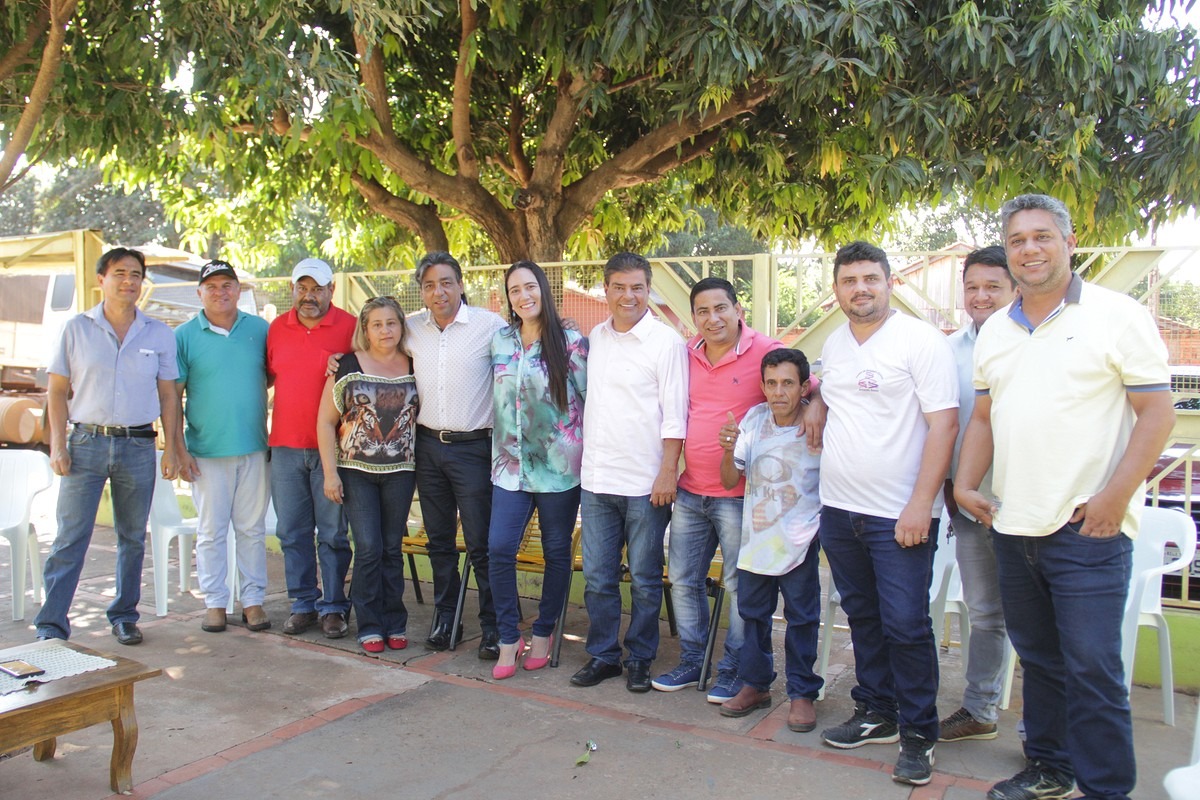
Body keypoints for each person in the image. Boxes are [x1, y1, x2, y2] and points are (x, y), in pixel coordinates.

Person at [955, 195, 1175, 800]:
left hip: (1088, 531)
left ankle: (1106, 789)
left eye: (1042, 236)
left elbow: (1158, 414)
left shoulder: (1116, 315)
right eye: (1019, 239)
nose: (1030, 249)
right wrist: (966, 485)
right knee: (1041, 664)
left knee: (1095, 672)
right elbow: (982, 418)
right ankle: (1050, 769)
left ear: (1068, 242)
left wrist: (1113, 497)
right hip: (1013, 525)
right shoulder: (997, 329)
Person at [816, 241, 958, 786]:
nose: (860, 289)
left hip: (900, 514)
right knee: (865, 618)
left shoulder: (920, 342)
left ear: (889, 282)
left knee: (906, 624)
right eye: (849, 280)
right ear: (836, 289)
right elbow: (836, 395)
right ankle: (876, 711)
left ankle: (920, 734)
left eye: (870, 278)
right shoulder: (835, 342)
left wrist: (921, 503)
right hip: (840, 508)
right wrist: (815, 403)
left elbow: (944, 425)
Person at [34, 247, 180, 645]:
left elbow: (169, 395)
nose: (128, 281)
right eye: (119, 273)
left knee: (132, 537)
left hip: (137, 446)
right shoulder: (76, 329)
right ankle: (51, 624)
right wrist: (57, 445)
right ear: (102, 279)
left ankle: (123, 615)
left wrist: (172, 448)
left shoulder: (159, 333)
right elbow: (58, 391)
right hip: (85, 444)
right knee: (70, 537)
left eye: (135, 274)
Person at [651, 277, 784, 701]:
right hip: (691, 490)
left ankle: (734, 668)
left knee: (739, 585)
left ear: (738, 309)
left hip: (740, 495)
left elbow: (806, 386)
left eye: (721, 308)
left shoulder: (764, 350)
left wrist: (814, 407)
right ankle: (694, 660)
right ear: (694, 318)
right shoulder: (685, 353)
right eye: (703, 311)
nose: (713, 318)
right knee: (685, 579)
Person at [571, 252, 688, 693]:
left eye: (637, 287)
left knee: (643, 578)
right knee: (599, 577)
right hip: (597, 480)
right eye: (619, 287)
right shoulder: (594, 339)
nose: (628, 295)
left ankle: (640, 657)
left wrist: (667, 473)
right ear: (606, 290)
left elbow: (675, 416)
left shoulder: (666, 343)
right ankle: (603, 656)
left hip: (645, 485)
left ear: (648, 289)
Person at [487, 261, 588, 679]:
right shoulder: (499, 341)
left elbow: (589, 401)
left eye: (530, 287)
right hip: (509, 468)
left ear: (543, 290)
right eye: (514, 290)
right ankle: (509, 635)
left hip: (558, 470)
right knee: (498, 549)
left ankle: (545, 631)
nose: (523, 296)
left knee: (556, 552)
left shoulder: (570, 342)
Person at [716, 348, 824, 732]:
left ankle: (802, 693)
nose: (779, 392)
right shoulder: (755, 419)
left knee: (802, 618)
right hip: (757, 540)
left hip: (800, 539)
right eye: (772, 383)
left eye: (788, 383)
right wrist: (728, 450)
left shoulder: (818, 422)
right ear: (762, 386)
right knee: (753, 615)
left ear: (804, 386)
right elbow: (731, 480)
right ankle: (755, 684)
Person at [407, 251, 506, 658]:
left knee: (482, 543)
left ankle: (494, 625)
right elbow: (369, 341)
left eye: (446, 282)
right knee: (440, 541)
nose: (439, 291)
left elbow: (528, 343)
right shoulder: (412, 328)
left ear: (461, 284)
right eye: (430, 285)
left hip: (475, 449)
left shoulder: (490, 326)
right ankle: (446, 618)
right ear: (422, 292)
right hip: (428, 446)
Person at [938, 246, 1018, 741]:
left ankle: (1047, 738)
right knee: (985, 612)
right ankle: (981, 709)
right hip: (970, 507)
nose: (981, 295)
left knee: (1038, 625)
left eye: (993, 286)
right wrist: (952, 488)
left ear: (1014, 289)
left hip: (1031, 508)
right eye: (972, 287)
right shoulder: (948, 351)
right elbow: (944, 425)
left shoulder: (1032, 344)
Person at [317, 296, 419, 656]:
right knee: (370, 548)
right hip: (356, 472)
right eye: (377, 324)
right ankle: (370, 623)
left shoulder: (414, 365)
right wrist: (331, 474)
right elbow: (326, 422)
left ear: (401, 326)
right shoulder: (348, 365)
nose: (385, 330)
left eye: (391, 323)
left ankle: (395, 621)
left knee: (392, 548)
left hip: (400, 472)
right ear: (366, 329)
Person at [173, 260, 271, 634]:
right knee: (212, 531)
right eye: (211, 286)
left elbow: (274, 376)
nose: (220, 292)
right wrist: (178, 449)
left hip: (253, 448)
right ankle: (215, 603)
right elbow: (173, 395)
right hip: (206, 453)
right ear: (199, 293)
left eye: (227, 285)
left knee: (252, 529)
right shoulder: (184, 336)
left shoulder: (260, 330)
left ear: (238, 289)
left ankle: (253, 601)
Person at [267, 258, 356, 638]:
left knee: (333, 533)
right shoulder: (275, 330)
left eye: (317, 288)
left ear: (331, 290)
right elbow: (267, 378)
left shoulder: (350, 327)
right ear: (292, 290)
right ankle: (303, 602)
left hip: (332, 451)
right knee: (291, 531)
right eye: (302, 288)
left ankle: (334, 607)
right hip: (284, 448)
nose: (309, 296)